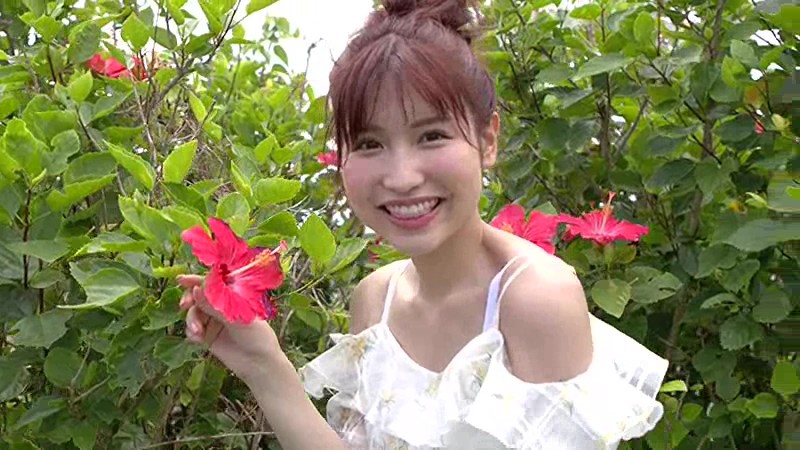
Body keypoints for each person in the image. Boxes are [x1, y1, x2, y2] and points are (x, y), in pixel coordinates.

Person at [177, 0, 669, 448]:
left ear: (488, 139)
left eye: (431, 135)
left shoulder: (534, 300)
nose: (402, 177)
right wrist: (263, 364)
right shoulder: (376, 299)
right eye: (369, 144)